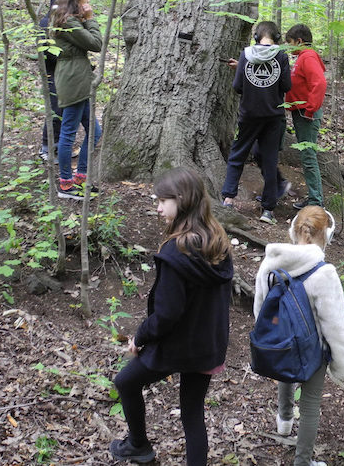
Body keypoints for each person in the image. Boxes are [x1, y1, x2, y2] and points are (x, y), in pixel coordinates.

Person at [109, 167, 233, 465]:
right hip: (206, 346)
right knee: (192, 414)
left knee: (126, 382)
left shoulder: (177, 253)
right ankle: (140, 446)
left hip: (178, 346)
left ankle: (138, 446)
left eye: (163, 200)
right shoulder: (217, 241)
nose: (158, 207)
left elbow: (167, 314)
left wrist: (139, 337)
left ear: (182, 200)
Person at [253, 206, 344, 466]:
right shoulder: (325, 273)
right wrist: (340, 363)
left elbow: (260, 307)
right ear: (327, 236)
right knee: (310, 404)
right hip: (313, 348)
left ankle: (284, 421)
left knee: (287, 371)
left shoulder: (270, 263)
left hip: (280, 342)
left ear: (293, 230)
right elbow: (334, 324)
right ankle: (302, 461)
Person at [221, 21, 291, 224]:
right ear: (276, 37)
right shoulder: (281, 56)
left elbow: (237, 87)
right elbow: (286, 84)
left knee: (237, 155)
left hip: (249, 115)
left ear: (256, 37)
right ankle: (267, 210)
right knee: (269, 162)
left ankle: (227, 198)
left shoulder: (246, 54)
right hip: (273, 117)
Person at [50, 0, 102, 200]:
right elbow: (96, 43)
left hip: (78, 78)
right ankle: (65, 184)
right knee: (69, 134)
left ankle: (80, 178)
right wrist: (90, 19)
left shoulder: (68, 20)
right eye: (84, 0)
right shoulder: (68, 22)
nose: (87, 4)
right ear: (74, 1)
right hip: (74, 80)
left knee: (95, 132)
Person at [284, 24, 327, 210]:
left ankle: (316, 201)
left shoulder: (308, 56)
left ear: (299, 41)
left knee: (309, 157)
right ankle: (314, 198)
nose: (289, 47)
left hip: (306, 114)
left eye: (291, 43)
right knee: (306, 155)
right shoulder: (302, 57)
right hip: (300, 112)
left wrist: (310, 110)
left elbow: (319, 83)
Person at [38, 0, 63, 163]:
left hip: (63, 72)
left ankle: (58, 146)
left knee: (64, 110)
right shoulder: (45, 23)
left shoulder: (63, 23)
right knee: (55, 110)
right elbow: (44, 52)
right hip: (51, 72)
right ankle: (46, 147)